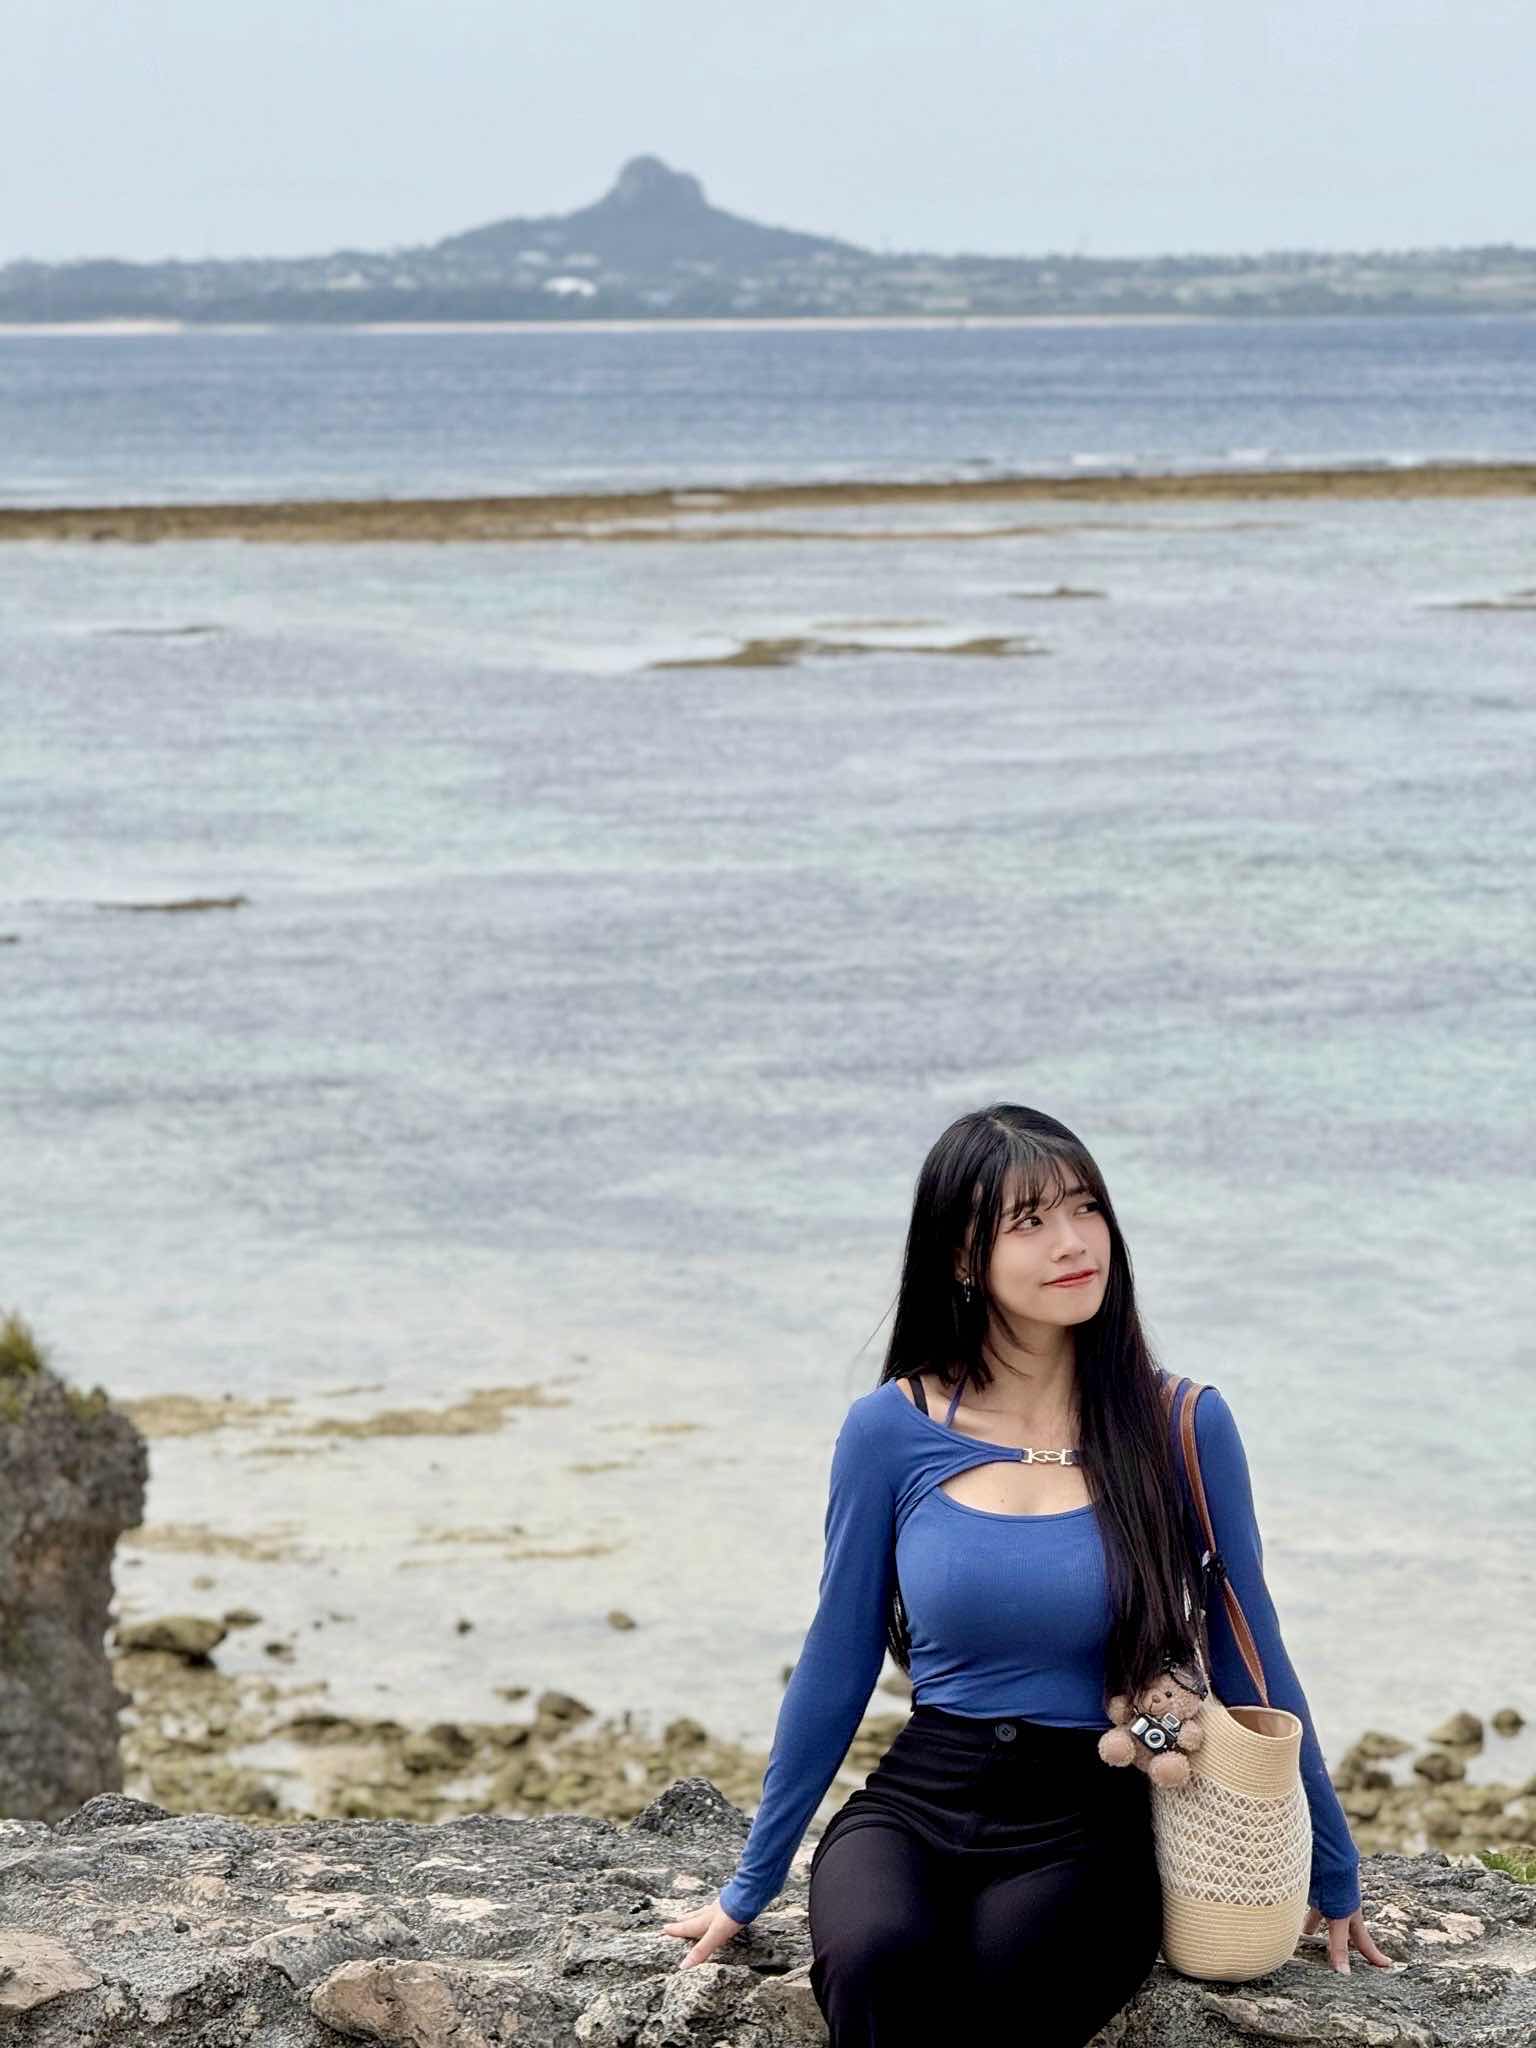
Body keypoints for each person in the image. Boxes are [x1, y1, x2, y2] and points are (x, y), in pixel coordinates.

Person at [660, 1104, 1393, 2043]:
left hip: (1090, 1816)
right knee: (875, 1955)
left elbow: (1250, 1648)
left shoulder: (1181, 1425)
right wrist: (751, 1883)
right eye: (1030, 1221)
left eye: (1086, 1208)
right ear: (963, 1259)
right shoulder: (890, 1430)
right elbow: (837, 1658)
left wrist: (1332, 1867)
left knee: (1007, 1976)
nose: (1073, 1242)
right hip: (921, 1798)